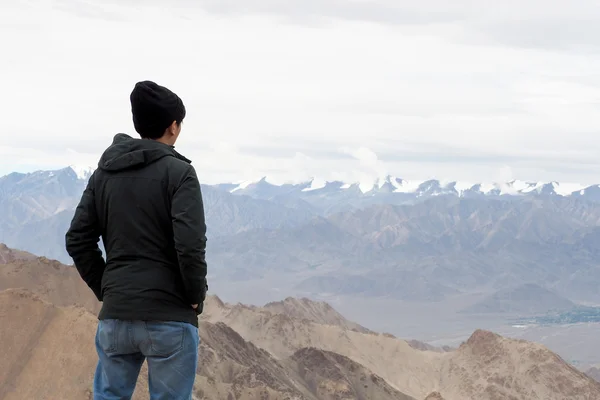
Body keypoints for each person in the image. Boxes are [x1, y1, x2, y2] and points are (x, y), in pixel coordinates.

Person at [65, 80, 208, 400]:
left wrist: (109, 289)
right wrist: (195, 295)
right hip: (170, 316)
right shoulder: (180, 173)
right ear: (173, 127)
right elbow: (189, 246)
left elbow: (77, 239)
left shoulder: (105, 173)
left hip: (117, 316)